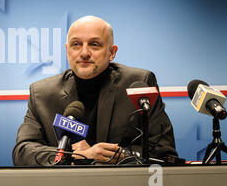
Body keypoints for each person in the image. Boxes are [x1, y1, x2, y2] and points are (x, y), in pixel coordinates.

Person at [12, 15, 178, 166]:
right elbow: (22, 151)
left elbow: (164, 151)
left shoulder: (138, 83)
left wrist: (118, 156)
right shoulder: (42, 94)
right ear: (67, 50)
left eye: (94, 44)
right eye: (76, 44)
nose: (84, 53)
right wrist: (74, 155)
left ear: (112, 52)